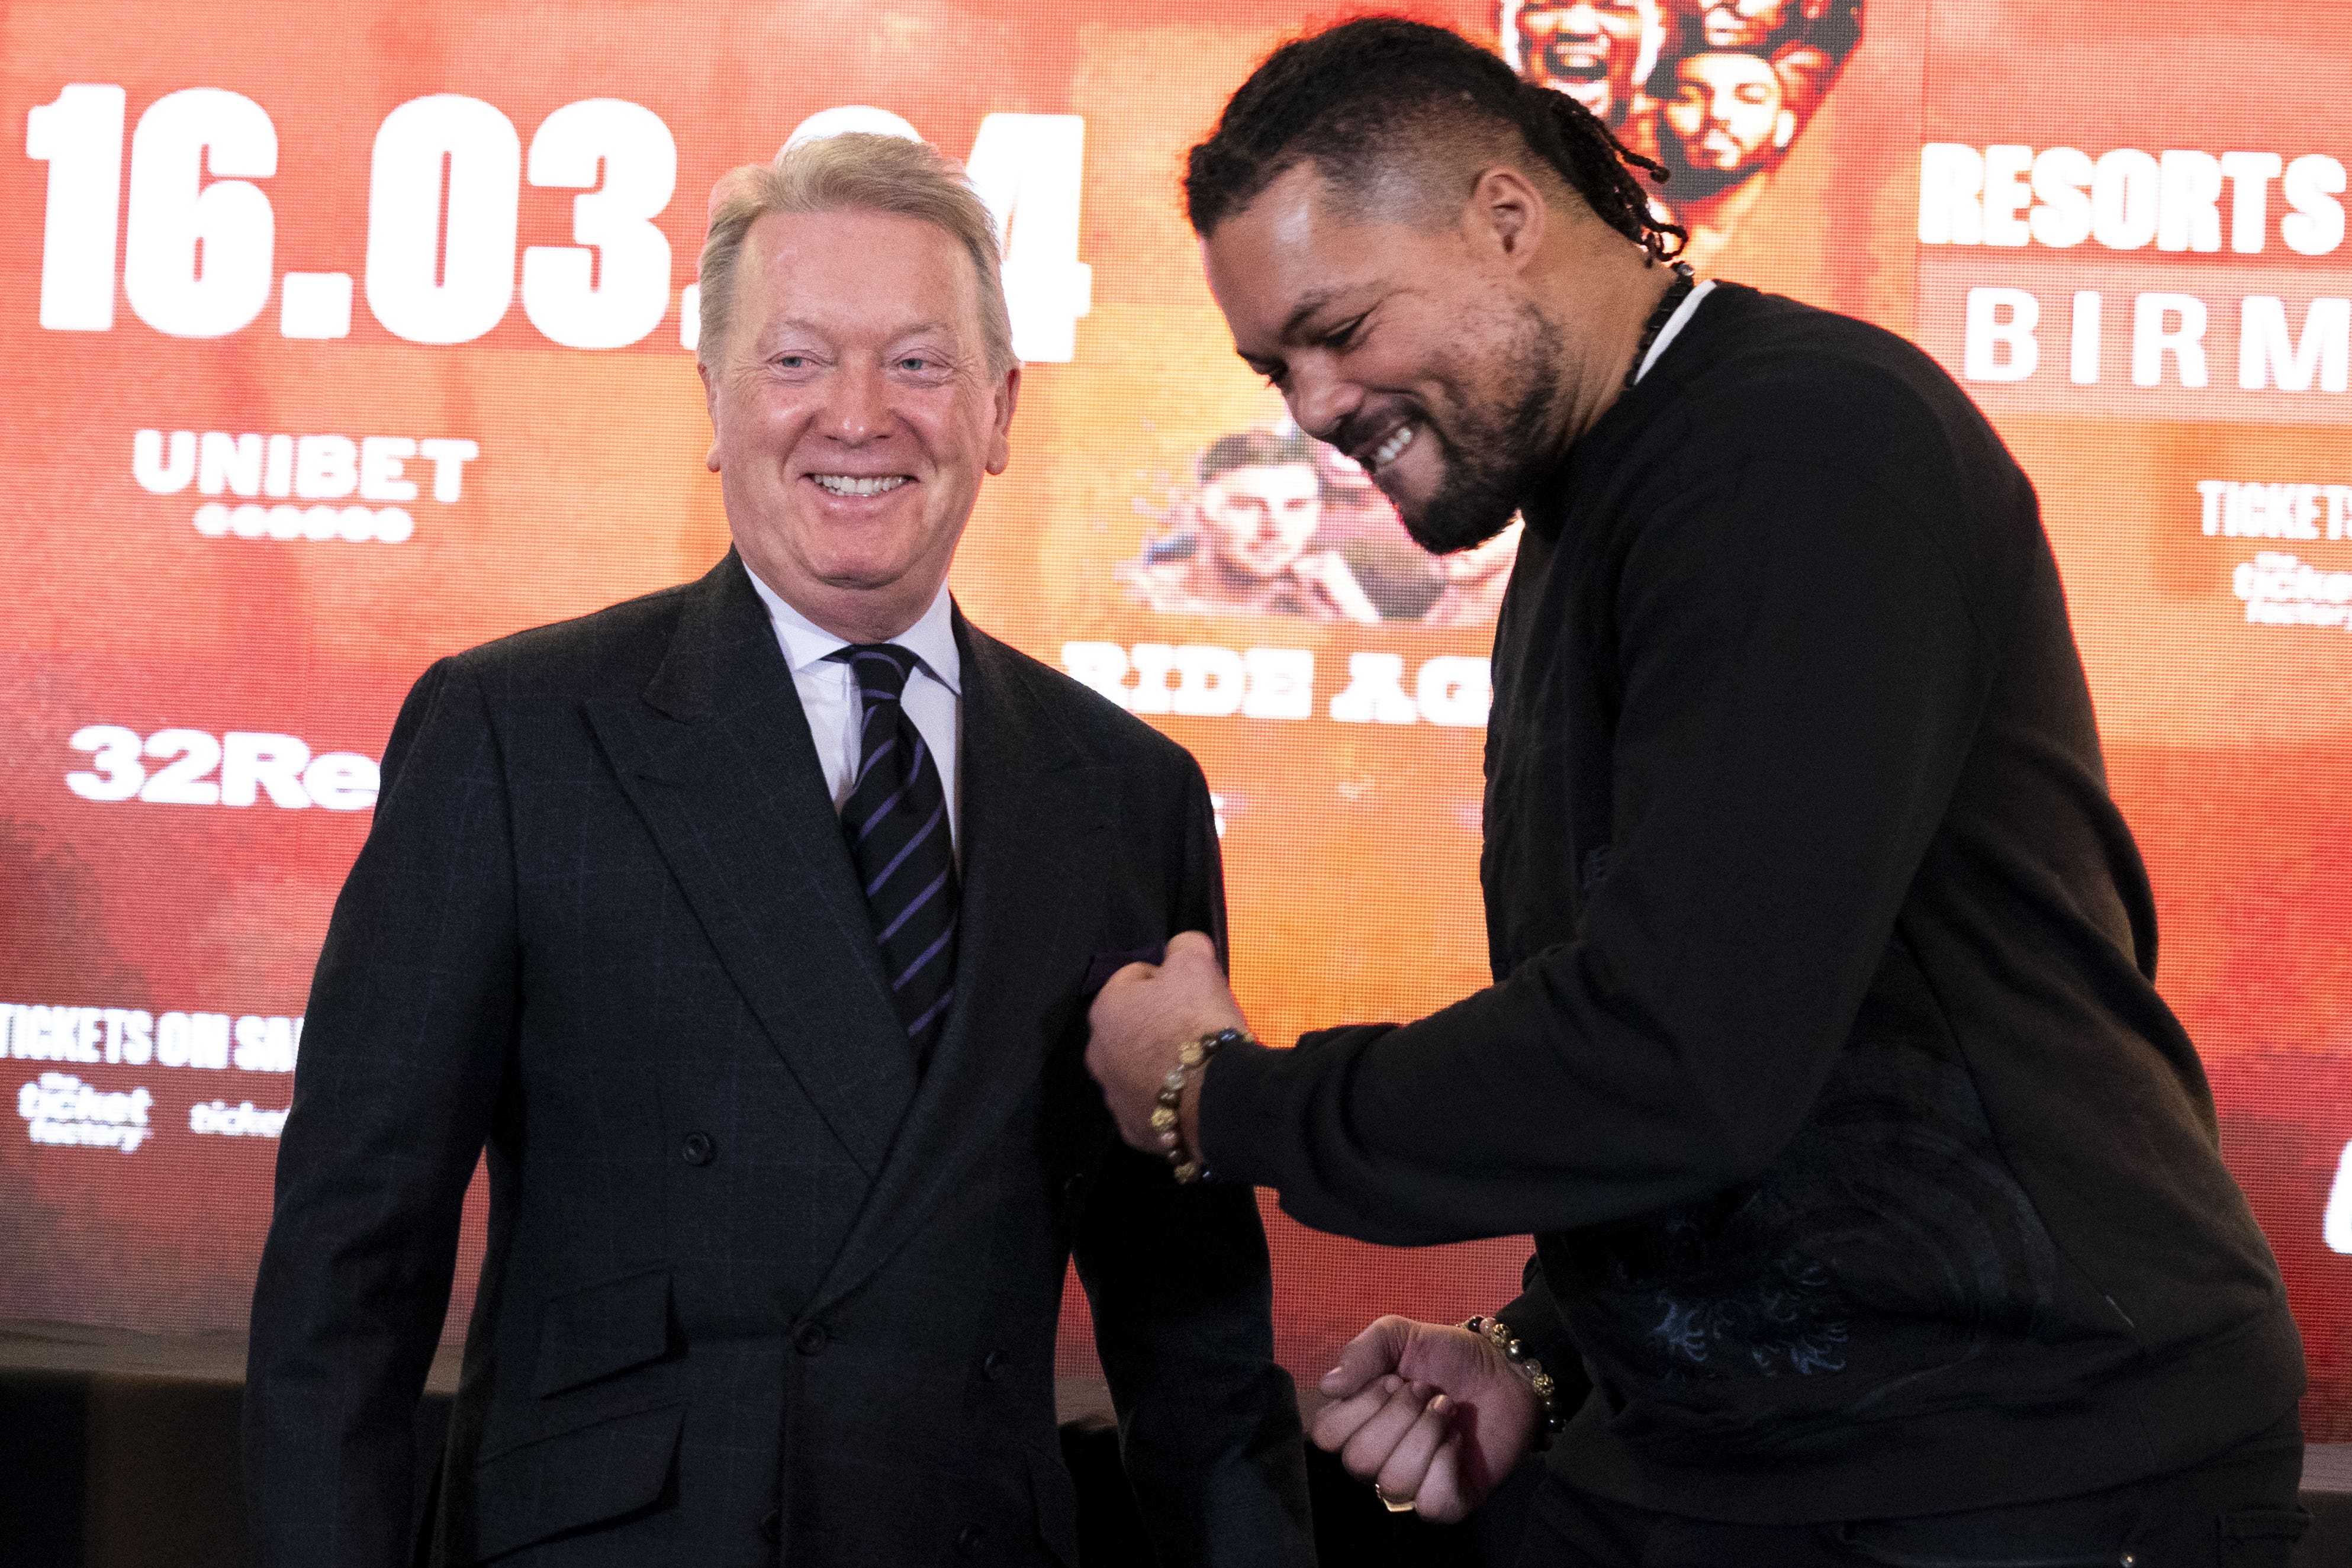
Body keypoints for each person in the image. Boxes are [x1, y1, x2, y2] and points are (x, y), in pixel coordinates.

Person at [1085, 18, 2309, 1566]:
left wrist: (1218, 1099)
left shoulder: (1794, 453)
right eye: (1275, 366)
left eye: (1338, 326)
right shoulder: (1601, 497)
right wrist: (1552, 1344)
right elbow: (1782, 1058)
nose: (1310, 405)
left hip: (2016, 1477)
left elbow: (1678, 1049)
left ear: (1505, 218)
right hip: (1736, 1460)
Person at [243, 133, 1314, 1568]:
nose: (857, 417)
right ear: (715, 401)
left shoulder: (1128, 791)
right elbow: (348, 1262)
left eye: (919, 365)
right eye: (798, 361)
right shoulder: (515, 730)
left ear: (998, 409)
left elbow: (1188, 1320)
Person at [1122, 429, 1380, 622]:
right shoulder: (1145, 595)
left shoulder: (1326, 601)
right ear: (1198, 511)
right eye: (1247, 506)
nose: (1275, 528)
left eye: (1296, 506)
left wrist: (1358, 616)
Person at [1653, 49, 1796, 263]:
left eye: (1750, 98)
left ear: (1785, 125)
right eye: (1688, 97)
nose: (1717, 112)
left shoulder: (1789, 237)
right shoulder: (1645, 218)